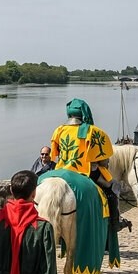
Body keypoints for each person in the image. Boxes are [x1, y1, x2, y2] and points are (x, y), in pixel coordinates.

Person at [50, 98, 131, 232]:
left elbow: (55, 153)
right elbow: (104, 162)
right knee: (113, 188)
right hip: (86, 172)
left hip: (61, 171)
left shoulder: (59, 130)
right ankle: (114, 224)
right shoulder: (93, 131)